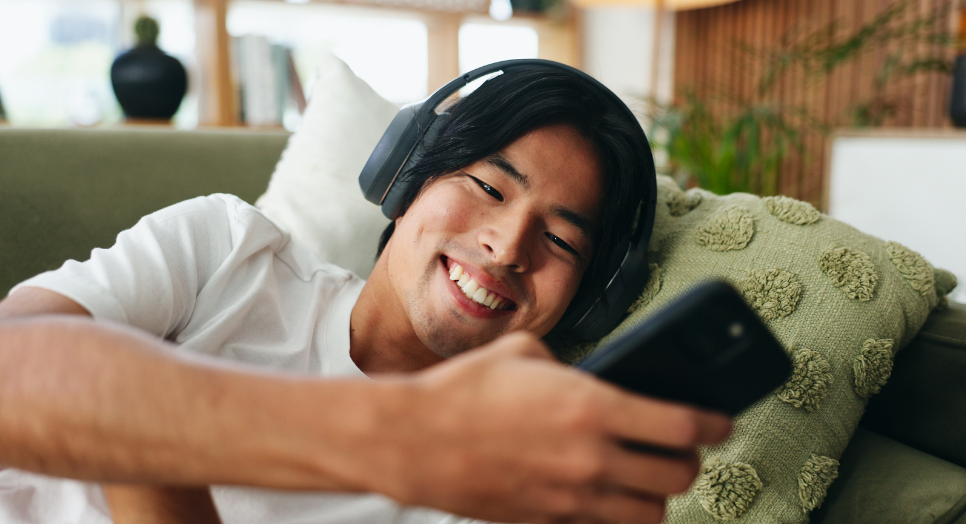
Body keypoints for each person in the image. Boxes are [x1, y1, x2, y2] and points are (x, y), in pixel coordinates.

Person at [0, 65, 731, 524]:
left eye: (563, 241)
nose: (509, 248)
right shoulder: (227, 249)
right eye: (488, 187)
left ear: (591, 303)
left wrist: (122, 423)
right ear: (406, 176)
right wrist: (394, 438)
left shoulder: (510, 486)